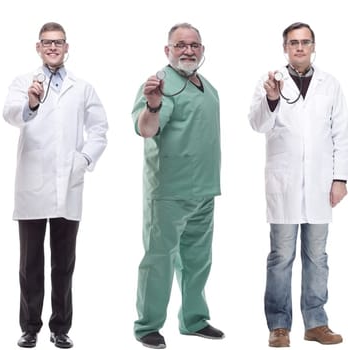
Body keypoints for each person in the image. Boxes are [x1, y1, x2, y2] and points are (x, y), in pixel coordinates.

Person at [3, 21, 108, 350]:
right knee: (30, 263)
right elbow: (9, 115)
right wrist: (31, 103)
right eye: (47, 43)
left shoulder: (83, 87)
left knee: (63, 263)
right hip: (32, 183)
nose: (52, 47)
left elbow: (100, 128)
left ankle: (60, 327)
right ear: (38, 47)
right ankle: (30, 327)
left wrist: (85, 160)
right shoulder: (23, 83)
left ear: (66, 48)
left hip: (69, 185)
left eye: (58, 42)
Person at [247, 22, 348, 348]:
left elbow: (341, 135)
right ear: (285, 48)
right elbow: (257, 124)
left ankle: (316, 323)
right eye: (294, 43)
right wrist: (272, 99)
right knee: (281, 256)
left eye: (305, 42)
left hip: (321, 186)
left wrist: (340, 179)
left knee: (317, 257)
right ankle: (279, 326)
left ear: (313, 46)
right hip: (285, 185)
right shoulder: (271, 82)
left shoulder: (330, 84)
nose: (300, 48)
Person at [131, 22, 224, 349]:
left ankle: (194, 320)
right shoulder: (160, 85)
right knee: (159, 259)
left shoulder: (206, 85)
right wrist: (152, 104)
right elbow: (146, 128)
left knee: (198, 261)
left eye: (194, 45)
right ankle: (148, 326)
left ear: (202, 50)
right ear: (167, 50)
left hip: (204, 190)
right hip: (170, 191)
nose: (188, 50)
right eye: (181, 45)